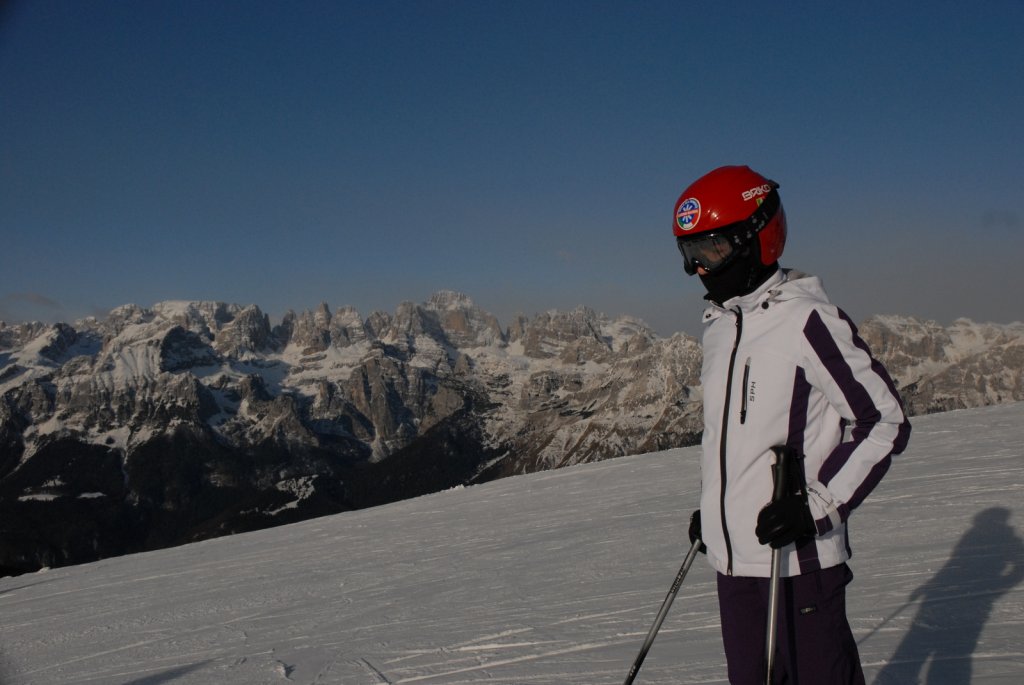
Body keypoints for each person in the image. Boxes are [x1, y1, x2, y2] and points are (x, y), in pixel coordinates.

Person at [672, 165, 911, 684]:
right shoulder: (719, 330)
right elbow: (741, 440)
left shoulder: (807, 320)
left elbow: (884, 420)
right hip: (734, 568)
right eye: (688, 255)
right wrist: (718, 510)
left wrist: (817, 507)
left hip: (798, 565)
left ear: (756, 237)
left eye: (709, 251)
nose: (699, 270)